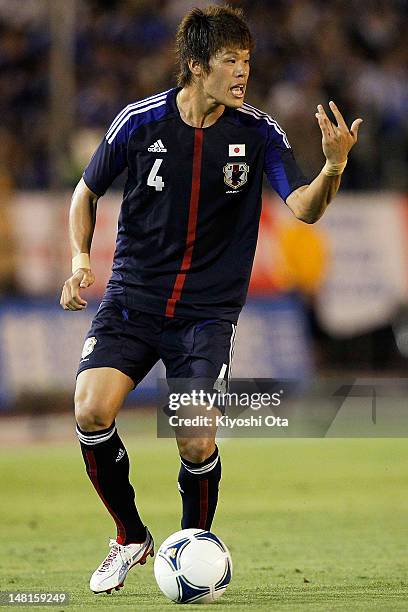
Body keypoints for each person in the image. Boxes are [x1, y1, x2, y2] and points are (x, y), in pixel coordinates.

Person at [60, 4, 362, 595]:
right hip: (131, 301)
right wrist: (78, 263)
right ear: (197, 66)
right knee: (90, 410)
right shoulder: (139, 123)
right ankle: (129, 536)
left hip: (205, 315)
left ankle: (192, 546)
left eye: (246, 60)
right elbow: (85, 191)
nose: (242, 72)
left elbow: (303, 208)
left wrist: (333, 168)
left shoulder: (256, 132)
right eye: (230, 60)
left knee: (196, 436)